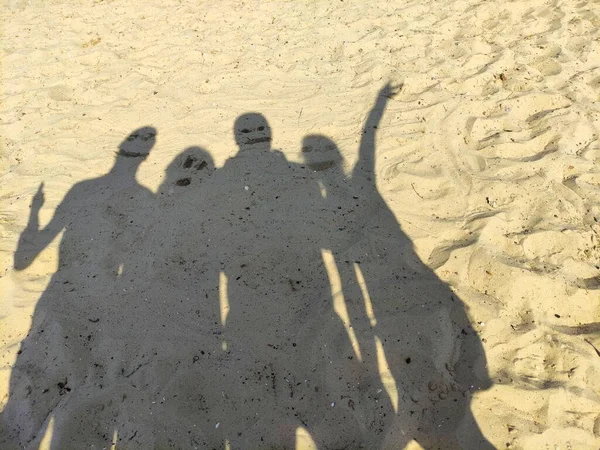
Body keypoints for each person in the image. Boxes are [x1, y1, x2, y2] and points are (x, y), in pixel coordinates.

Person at [303, 84, 494, 448]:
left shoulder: (357, 184)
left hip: (396, 294)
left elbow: (367, 150)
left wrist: (378, 104)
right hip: (399, 290)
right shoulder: (354, 185)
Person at [2, 127, 158, 449]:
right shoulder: (147, 201)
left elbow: (22, 261)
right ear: (147, 157)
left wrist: (33, 212)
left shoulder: (81, 190)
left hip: (57, 304)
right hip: (111, 315)